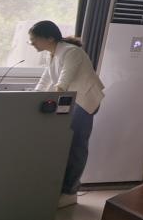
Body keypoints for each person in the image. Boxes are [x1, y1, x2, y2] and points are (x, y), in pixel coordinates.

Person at [30, 21, 105, 208]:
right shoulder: (52, 53)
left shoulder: (72, 52)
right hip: (72, 100)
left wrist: (49, 98)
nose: (32, 43)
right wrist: (32, 98)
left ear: (49, 38)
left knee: (76, 146)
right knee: (66, 144)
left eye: (34, 39)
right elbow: (46, 79)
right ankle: (62, 188)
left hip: (84, 101)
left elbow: (62, 82)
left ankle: (70, 192)